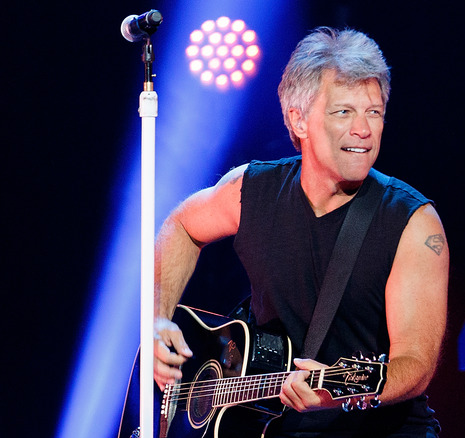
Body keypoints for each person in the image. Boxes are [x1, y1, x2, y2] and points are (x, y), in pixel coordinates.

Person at [152, 27, 449, 437]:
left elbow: (415, 364)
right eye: (344, 111)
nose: (364, 129)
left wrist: (341, 391)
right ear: (298, 118)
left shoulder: (411, 222)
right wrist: (155, 318)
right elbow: (181, 225)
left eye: (374, 112)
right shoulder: (252, 190)